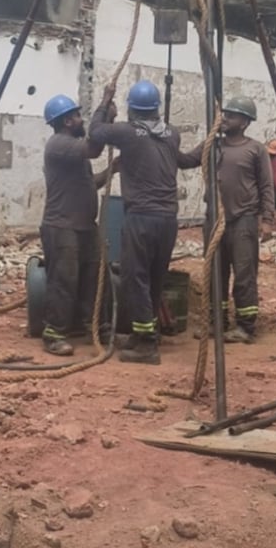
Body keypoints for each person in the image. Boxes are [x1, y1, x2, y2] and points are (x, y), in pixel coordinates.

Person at [89, 79, 182, 365]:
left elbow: (95, 132)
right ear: (156, 108)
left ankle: (147, 346)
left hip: (142, 216)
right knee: (154, 277)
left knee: (134, 276)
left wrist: (105, 101)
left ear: (132, 109)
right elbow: (177, 158)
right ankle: (144, 334)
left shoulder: (127, 132)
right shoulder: (172, 133)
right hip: (168, 219)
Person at [180, 97, 274, 343]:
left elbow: (266, 186)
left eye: (232, 116)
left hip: (243, 219)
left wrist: (267, 220)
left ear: (244, 122)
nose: (225, 118)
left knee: (244, 274)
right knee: (215, 272)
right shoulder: (212, 145)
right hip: (214, 219)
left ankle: (245, 326)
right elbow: (185, 161)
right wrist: (166, 142)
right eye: (225, 114)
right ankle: (216, 321)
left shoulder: (255, 150)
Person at [40, 94, 116, 357]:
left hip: (83, 226)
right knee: (64, 281)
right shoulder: (59, 144)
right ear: (65, 122)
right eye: (75, 116)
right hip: (62, 227)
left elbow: (89, 184)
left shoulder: (72, 149)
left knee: (96, 277)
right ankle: (53, 334)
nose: (80, 119)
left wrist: (112, 169)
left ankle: (97, 327)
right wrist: (103, 111)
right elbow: (94, 148)